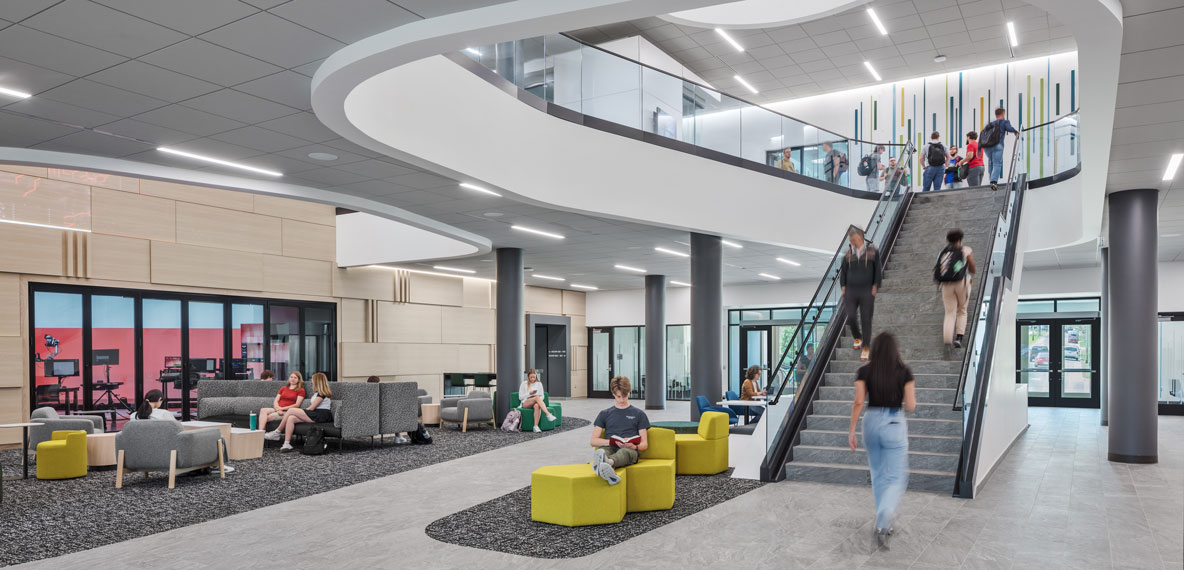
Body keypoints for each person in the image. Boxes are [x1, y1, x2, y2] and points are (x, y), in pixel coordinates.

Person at [846, 332, 916, 547]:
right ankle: (885, 515)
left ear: (874, 350)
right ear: (895, 350)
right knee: (896, 477)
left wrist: (851, 431)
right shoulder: (904, 371)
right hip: (894, 423)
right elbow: (911, 406)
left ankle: (881, 522)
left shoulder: (864, 370)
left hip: (871, 422)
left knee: (877, 474)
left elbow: (858, 402)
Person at [589, 376, 650, 485]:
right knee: (603, 452)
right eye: (618, 396)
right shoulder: (604, 414)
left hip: (630, 450)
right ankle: (609, 470)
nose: (622, 400)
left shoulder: (639, 414)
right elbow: (593, 441)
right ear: (613, 394)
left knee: (624, 452)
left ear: (629, 392)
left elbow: (644, 444)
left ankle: (606, 463)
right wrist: (612, 441)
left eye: (625, 396)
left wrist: (634, 446)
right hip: (609, 447)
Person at [840, 227, 881, 362]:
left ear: (861, 238)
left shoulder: (872, 252)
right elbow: (843, 272)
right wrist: (843, 287)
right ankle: (857, 337)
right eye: (851, 240)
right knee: (850, 316)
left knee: (866, 319)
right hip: (851, 291)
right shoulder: (847, 255)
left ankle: (866, 348)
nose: (854, 242)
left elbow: (878, 270)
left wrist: (875, 285)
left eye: (856, 240)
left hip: (866, 291)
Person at [266, 372, 333, 452]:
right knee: (291, 418)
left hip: (321, 415)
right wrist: (301, 411)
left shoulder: (322, 394)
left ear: (317, 381)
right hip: (315, 413)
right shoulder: (317, 392)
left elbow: (311, 408)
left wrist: (300, 411)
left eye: (313, 380)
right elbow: (311, 408)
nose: (312, 381)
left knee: (291, 410)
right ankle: (286, 444)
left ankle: (277, 432)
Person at [936, 229, 977, 349]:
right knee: (962, 310)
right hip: (961, 283)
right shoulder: (965, 250)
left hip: (945, 285)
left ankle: (948, 339)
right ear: (960, 239)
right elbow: (972, 269)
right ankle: (959, 338)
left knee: (949, 312)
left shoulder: (942, 252)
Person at [981, 107, 1020, 191]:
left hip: (987, 147)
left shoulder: (990, 124)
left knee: (991, 162)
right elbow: (1009, 128)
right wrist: (1016, 132)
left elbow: (983, 134)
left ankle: (991, 180)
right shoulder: (1004, 122)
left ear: (996, 115)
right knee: (997, 163)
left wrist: (979, 148)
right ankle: (993, 181)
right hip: (997, 145)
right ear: (1003, 114)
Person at [519, 369, 558, 433]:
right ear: (528, 376)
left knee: (537, 406)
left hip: (536, 401)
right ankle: (548, 414)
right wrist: (529, 393)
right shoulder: (524, 384)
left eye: (534, 377)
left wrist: (537, 399)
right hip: (526, 402)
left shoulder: (539, 384)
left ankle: (535, 427)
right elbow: (520, 397)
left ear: (536, 376)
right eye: (531, 377)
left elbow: (542, 396)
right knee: (536, 397)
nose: (532, 379)